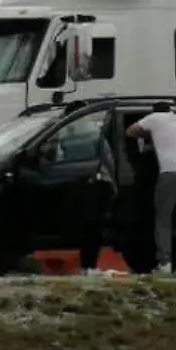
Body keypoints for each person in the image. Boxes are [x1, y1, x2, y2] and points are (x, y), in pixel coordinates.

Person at [127, 101, 176, 273]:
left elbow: (130, 131)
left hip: (170, 172)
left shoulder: (154, 118)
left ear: (154, 111)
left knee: (163, 219)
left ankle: (165, 263)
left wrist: (146, 133)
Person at [75, 116, 118, 275]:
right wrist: (114, 182)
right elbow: (108, 158)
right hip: (99, 182)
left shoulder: (66, 133)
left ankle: (86, 266)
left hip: (77, 183)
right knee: (95, 227)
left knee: (86, 227)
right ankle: (90, 266)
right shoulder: (93, 132)